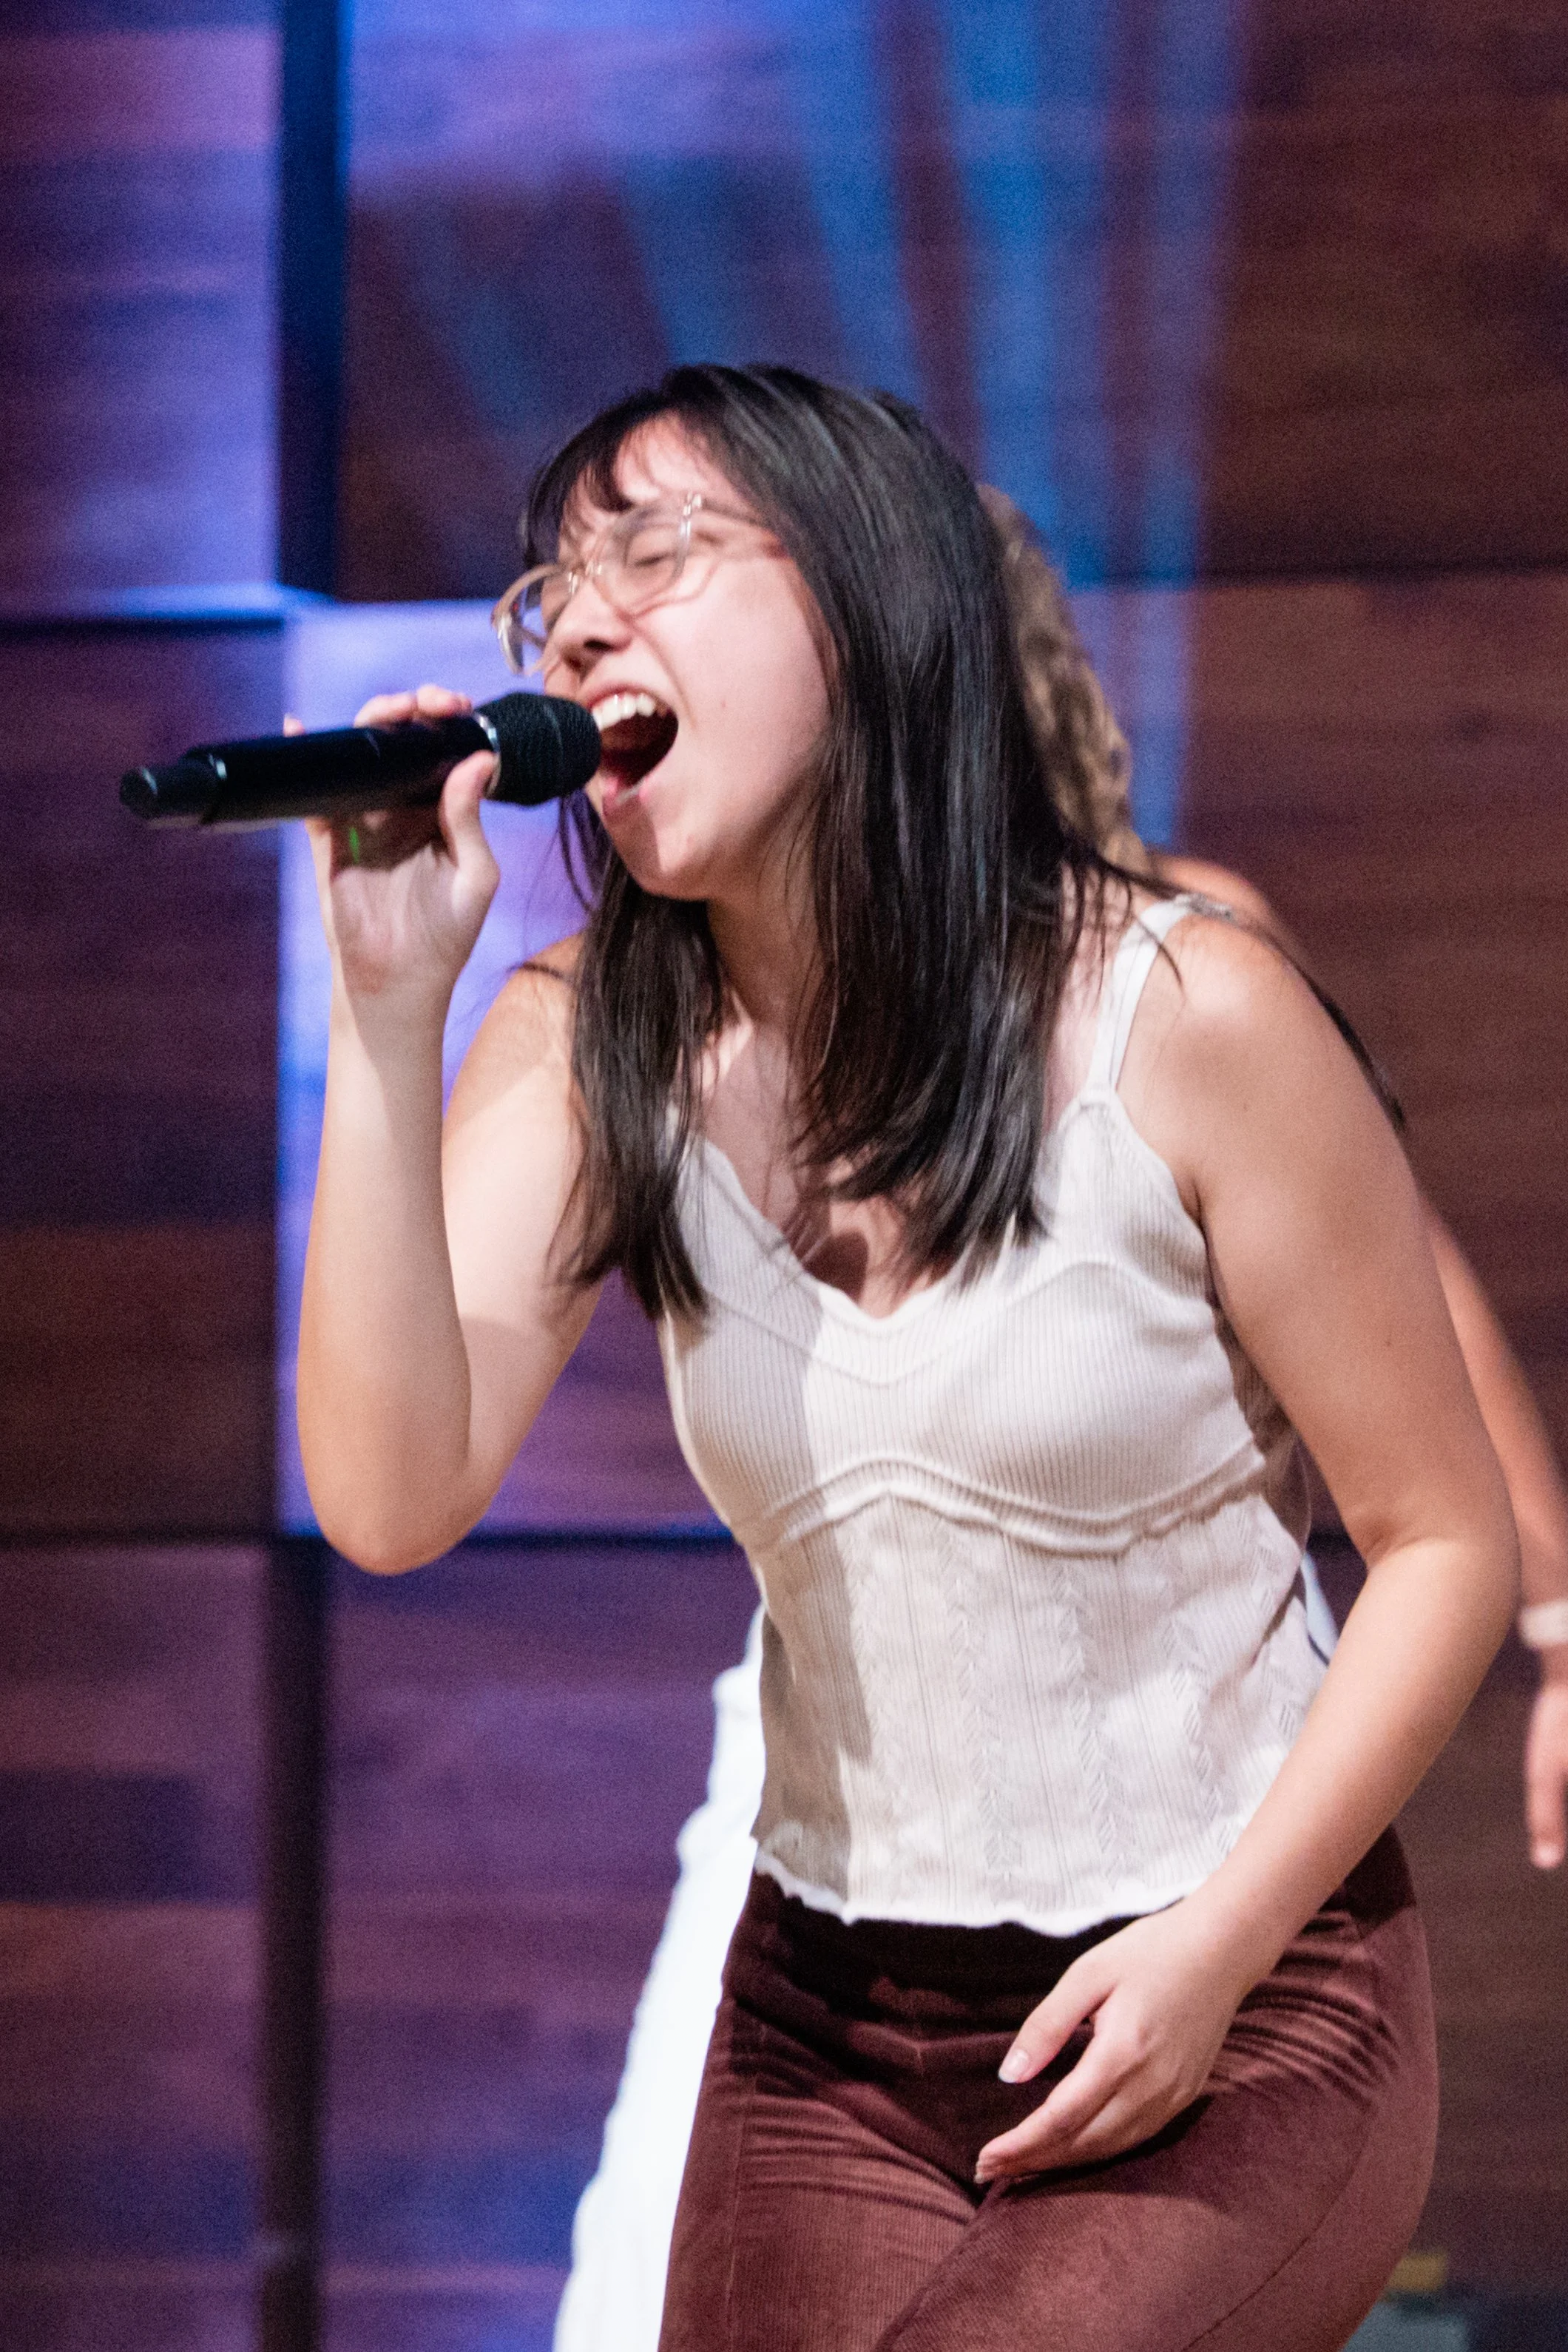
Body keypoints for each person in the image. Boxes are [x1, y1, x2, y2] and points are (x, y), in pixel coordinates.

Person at [298, 366, 1518, 2352]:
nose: (581, 630)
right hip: (833, 2019)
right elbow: (387, 1493)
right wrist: (382, 1007)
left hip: (1243, 1982)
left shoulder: (1182, 1008)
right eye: (553, 596)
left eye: (656, 555)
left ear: (866, 608)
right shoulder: (585, 1039)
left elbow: (1441, 1537)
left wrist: (1219, 1949)